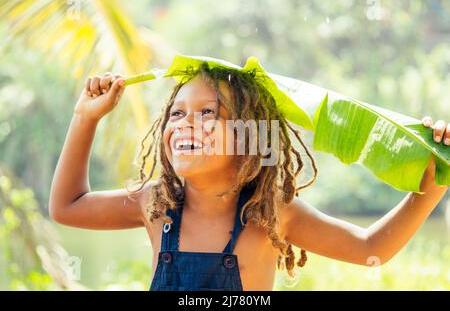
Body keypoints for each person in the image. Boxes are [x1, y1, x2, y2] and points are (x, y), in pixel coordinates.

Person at [49, 64, 449, 291]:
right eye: (177, 113)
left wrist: (435, 183)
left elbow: (371, 248)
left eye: (208, 113)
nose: (187, 123)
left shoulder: (272, 213)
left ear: (247, 138)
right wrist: (86, 118)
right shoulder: (156, 203)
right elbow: (67, 207)